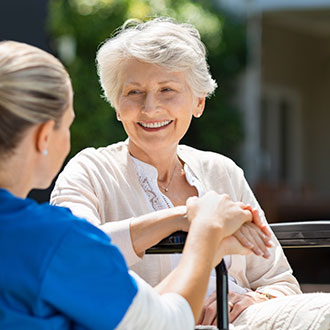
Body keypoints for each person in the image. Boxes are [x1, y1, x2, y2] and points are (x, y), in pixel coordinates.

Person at [50, 17, 301, 326]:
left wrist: (252, 300)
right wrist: (187, 217)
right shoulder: (88, 171)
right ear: (117, 105)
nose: (150, 107)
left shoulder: (222, 172)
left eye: (167, 90)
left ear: (198, 102)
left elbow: (281, 281)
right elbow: (74, 255)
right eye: (133, 92)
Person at [0, 40, 264, 329]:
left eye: (167, 90)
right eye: (67, 124)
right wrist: (206, 227)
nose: (150, 107)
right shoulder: (53, 239)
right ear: (44, 137)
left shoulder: (48, 238)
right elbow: (166, 323)